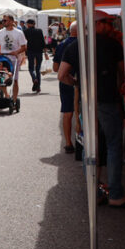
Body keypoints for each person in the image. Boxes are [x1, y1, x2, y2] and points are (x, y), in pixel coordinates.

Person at [58, 13, 125, 207]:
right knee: (113, 145)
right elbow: (124, 75)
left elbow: (62, 75)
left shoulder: (75, 46)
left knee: (90, 145)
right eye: (107, 22)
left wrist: (77, 83)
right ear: (97, 24)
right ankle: (115, 194)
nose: (110, 26)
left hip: (87, 101)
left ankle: (94, 192)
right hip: (108, 100)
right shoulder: (112, 44)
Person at [52, 22, 78, 153]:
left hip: (65, 80)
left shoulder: (62, 44)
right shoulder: (85, 43)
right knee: (82, 112)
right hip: (82, 81)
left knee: (67, 112)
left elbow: (55, 68)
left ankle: (68, 142)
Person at [0, 14, 27, 102]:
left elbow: (24, 47)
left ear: (11, 21)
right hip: (3, 58)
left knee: (15, 80)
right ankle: (7, 95)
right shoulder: (0, 32)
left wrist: (16, 52)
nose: (3, 22)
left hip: (14, 59)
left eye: (5, 20)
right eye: (3, 20)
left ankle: (14, 100)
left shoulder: (19, 33)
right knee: (0, 77)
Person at [22, 19, 46, 92]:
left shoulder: (26, 31)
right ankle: (38, 87)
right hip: (39, 51)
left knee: (31, 68)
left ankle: (34, 78)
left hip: (30, 51)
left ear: (29, 24)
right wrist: (45, 52)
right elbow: (43, 41)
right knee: (38, 69)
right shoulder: (39, 31)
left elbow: (24, 41)